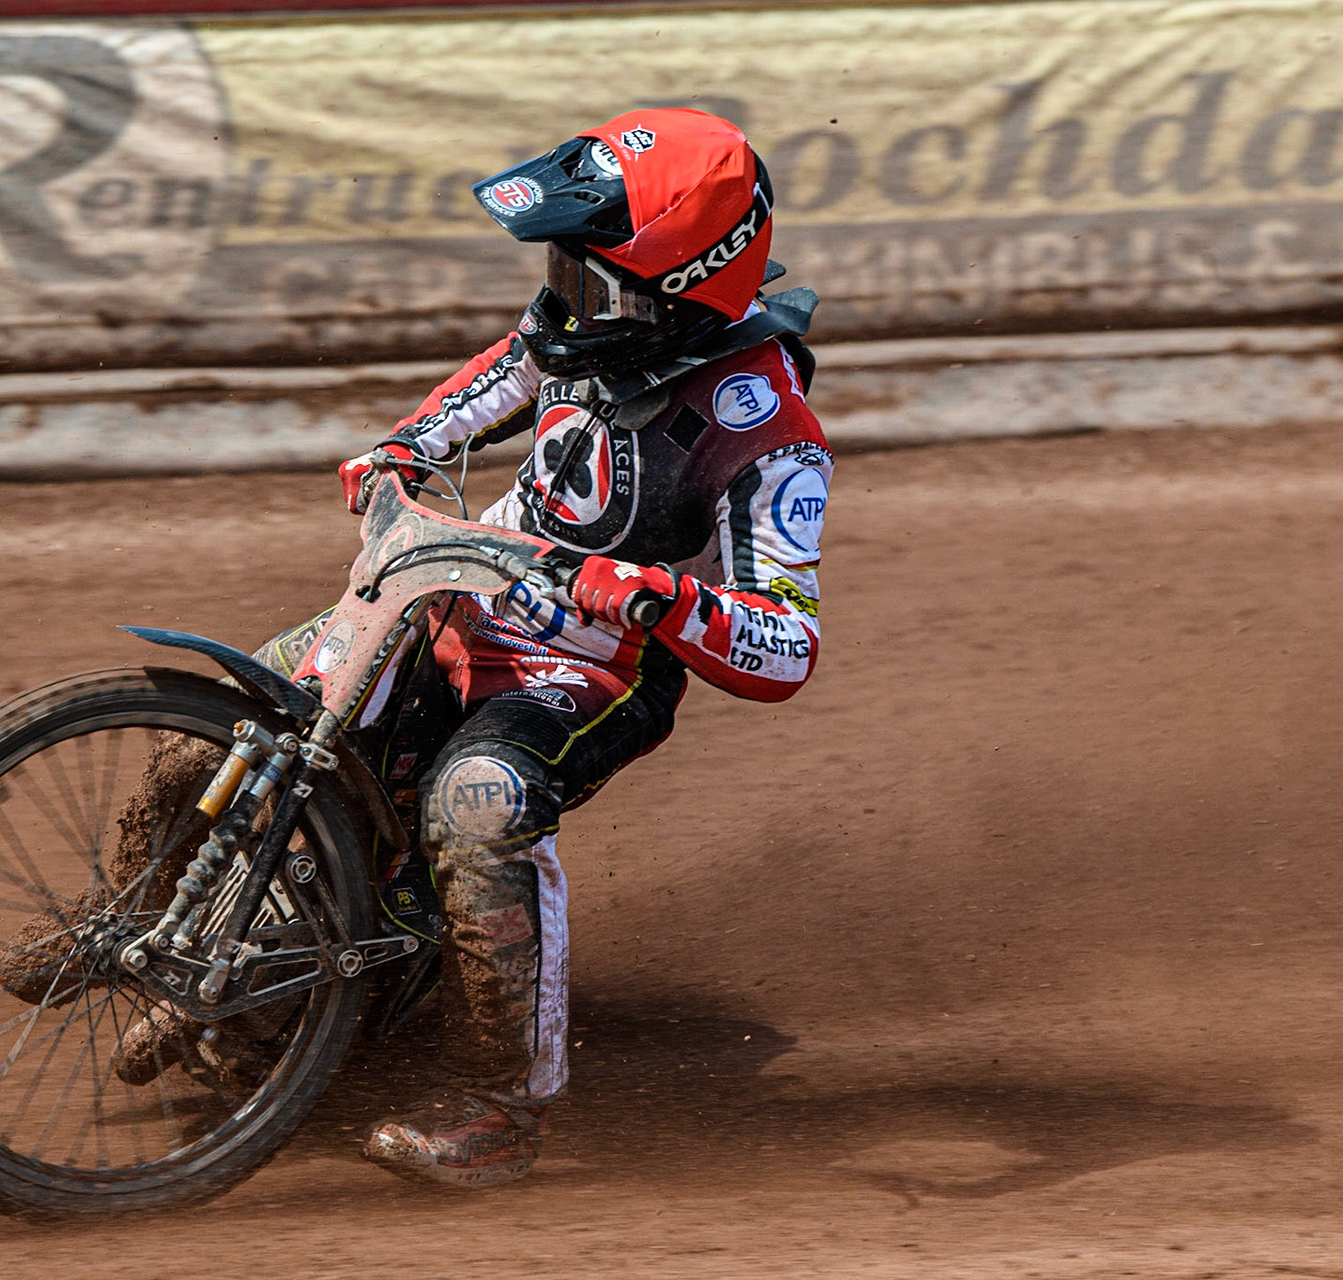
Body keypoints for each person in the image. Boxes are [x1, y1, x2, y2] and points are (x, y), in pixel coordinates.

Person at [331, 107, 833, 1188]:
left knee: (478, 803)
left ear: (674, 290)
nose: (566, 295)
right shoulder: (588, 321)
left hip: (596, 664)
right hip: (470, 578)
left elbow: (788, 642)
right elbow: (509, 369)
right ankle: (193, 927)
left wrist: (656, 597)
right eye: (565, 266)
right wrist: (405, 446)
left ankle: (500, 1106)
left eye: (589, 275)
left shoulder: (766, 426)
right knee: (288, 697)